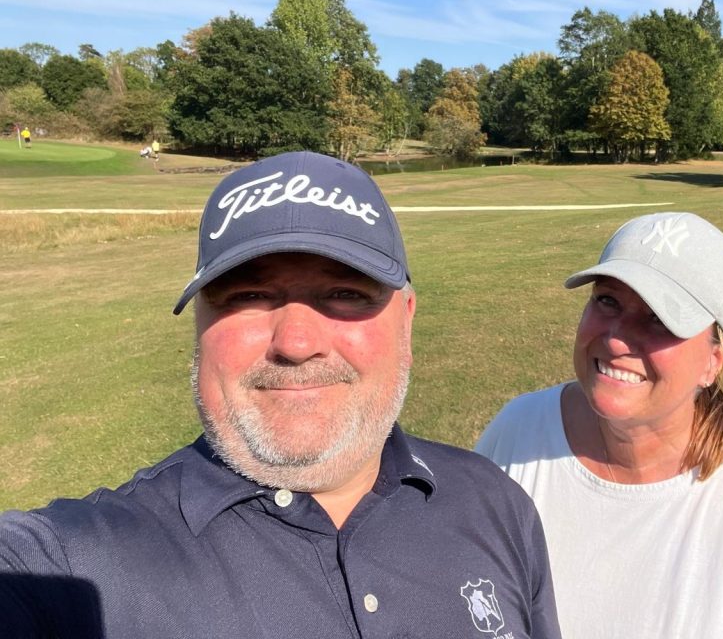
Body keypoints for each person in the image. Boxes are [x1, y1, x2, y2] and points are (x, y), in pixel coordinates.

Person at [1, 151, 561, 639]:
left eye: (345, 293)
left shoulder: (495, 503)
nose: (296, 344)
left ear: (407, 322)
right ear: (199, 326)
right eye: (249, 295)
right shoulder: (74, 564)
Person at [477, 212, 723, 639]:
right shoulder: (517, 432)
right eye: (608, 300)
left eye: (659, 319)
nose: (616, 338)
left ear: (714, 359)